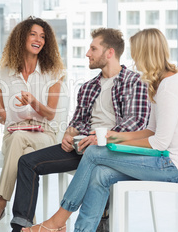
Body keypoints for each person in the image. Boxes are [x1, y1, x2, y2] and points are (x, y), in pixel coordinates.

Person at [22, 28, 178, 232]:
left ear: (146, 54)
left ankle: (57, 221)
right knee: (100, 173)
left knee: (94, 152)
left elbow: (159, 143)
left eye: (136, 54)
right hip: (164, 160)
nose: (134, 60)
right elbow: (150, 131)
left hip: (174, 167)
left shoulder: (169, 88)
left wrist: (110, 142)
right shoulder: (160, 85)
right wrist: (114, 135)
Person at [10, 28, 151, 232]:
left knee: (98, 168)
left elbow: (136, 122)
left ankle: (91, 223)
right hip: (84, 147)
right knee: (27, 162)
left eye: (93, 48)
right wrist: (70, 133)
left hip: (114, 149)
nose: (87, 53)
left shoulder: (134, 82)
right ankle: (20, 227)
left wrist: (101, 138)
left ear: (109, 52)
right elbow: (78, 121)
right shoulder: (88, 87)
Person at [0, 16, 66, 227]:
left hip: (44, 135)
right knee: (23, 151)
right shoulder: (6, 73)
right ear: (21, 38)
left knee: (21, 143)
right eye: (33, 34)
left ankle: (0, 203)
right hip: (14, 132)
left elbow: (51, 114)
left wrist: (35, 103)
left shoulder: (53, 73)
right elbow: (3, 119)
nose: (39, 40)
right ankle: (26, 223)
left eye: (43, 36)